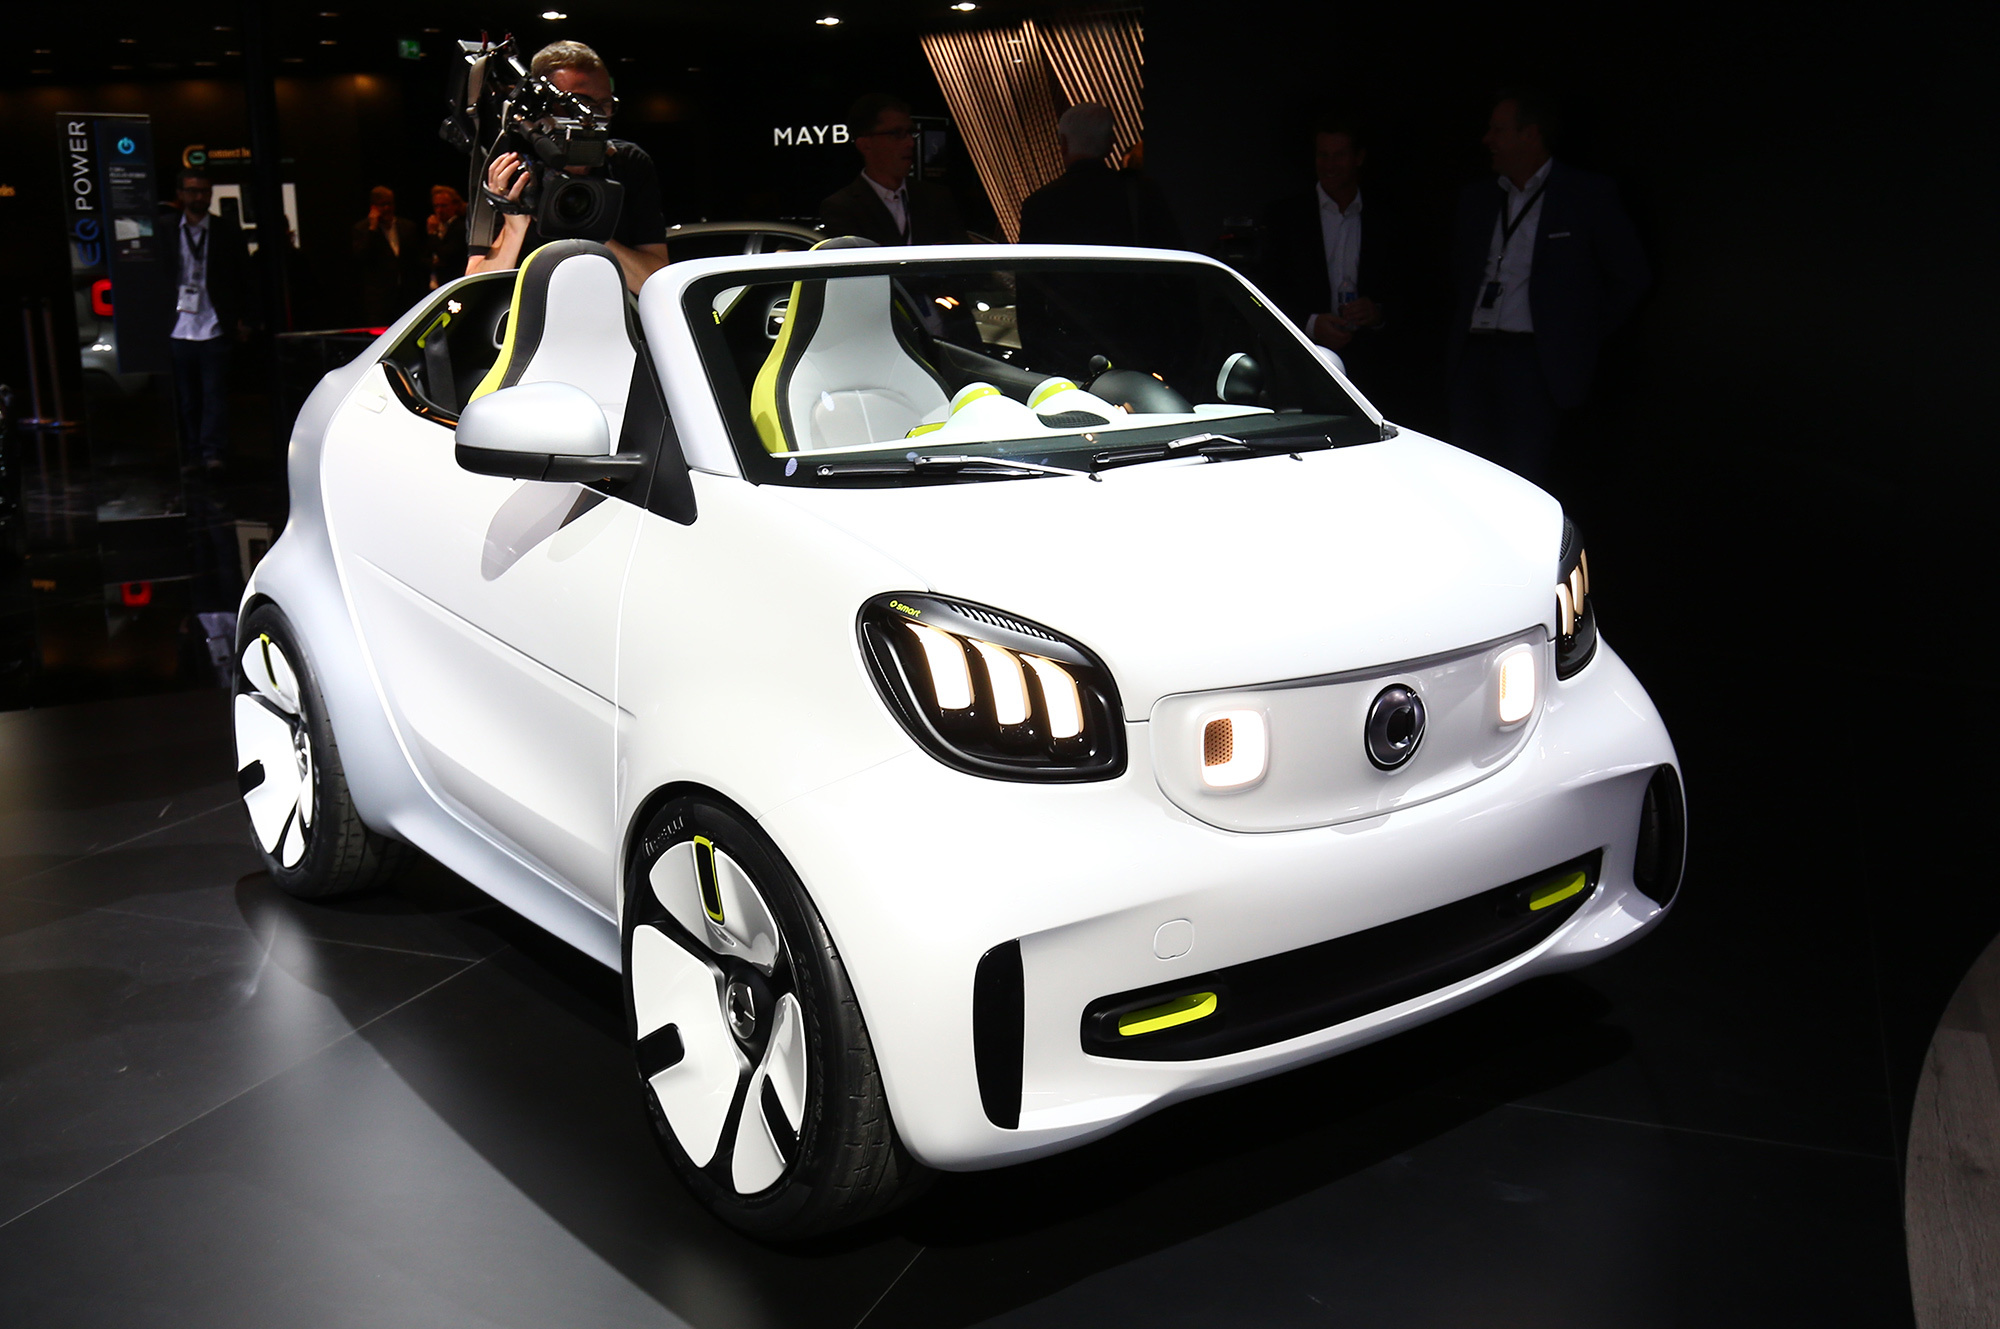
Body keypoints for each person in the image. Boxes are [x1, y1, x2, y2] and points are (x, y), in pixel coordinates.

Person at [1447, 90, 1650, 483]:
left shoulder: (1585, 194)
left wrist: (1579, 333)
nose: (1487, 139)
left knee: (1524, 474)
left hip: (1534, 361)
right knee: (1466, 471)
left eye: (1498, 130)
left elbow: (1630, 277)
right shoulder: (1478, 198)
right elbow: (1458, 273)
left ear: (1531, 134)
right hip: (1474, 355)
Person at [468, 40, 670, 293]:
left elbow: (654, 282)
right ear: (542, 106)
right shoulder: (510, 170)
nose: (593, 117)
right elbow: (474, 289)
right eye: (578, 103)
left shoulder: (626, 162)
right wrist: (514, 228)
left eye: (604, 104)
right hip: (528, 313)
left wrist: (591, 229)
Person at [1259, 116, 1411, 412]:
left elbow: (1408, 285)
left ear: (1358, 158)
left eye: (1339, 155)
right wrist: (1311, 324)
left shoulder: (1386, 216)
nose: (1329, 165)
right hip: (1306, 360)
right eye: (1323, 155)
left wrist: (1378, 312)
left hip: (1374, 365)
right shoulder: (1286, 216)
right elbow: (1267, 287)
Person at [162, 170, 248, 473]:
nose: (199, 196)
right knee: (187, 398)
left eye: (204, 191)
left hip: (214, 321)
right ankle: (192, 452)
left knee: (214, 394)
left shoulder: (226, 231)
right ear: (181, 194)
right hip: (178, 324)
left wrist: (244, 318)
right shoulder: (166, 229)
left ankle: (213, 452)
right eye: (192, 191)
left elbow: (243, 276)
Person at [1017, 103, 1180, 248]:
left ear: (1064, 143)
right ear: (1110, 144)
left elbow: (1030, 270)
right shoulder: (1143, 194)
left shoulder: (1037, 205)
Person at [819, 94, 966, 246]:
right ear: (865, 145)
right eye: (897, 133)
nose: (910, 143)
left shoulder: (937, 198)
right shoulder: (842, 207)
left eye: (911, 133)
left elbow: (962, 253)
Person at [351, 187, 425, 325]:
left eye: (389, 203)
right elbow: (361, 256)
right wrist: (372, 229)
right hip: (379, 300)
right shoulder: (362, 229)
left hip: (406, 297)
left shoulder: (407, 227)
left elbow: (417, 260)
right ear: (373, 207)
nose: (387, 208)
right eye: (382, 205)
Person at [426, 185, 468, 288]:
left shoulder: (461, 227)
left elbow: (447, 255)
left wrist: (433, 234)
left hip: (453, 282)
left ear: (455, 205)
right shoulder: (435, 225)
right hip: (434, 283)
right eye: (436, 206)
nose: (439, 210)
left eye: (444, 206)